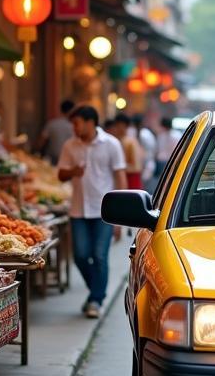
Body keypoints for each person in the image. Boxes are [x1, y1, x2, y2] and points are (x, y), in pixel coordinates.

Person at [58, 105, 127, 318]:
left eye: (77, 123)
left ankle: (96, 300)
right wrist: (73, 172)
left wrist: (120, 215)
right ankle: (96, 292)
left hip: (103, 211)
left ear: (90, 122)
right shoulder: (70, 145)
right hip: (78, 210)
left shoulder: (111, 144)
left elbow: (120, 177)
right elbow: (61, 174)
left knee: (99, 256)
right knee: (79, 256)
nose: (74, 128)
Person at [106, 113, 143, 190]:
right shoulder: (116, 140)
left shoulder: (131, 142)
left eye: (117, 125)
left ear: (123, 125)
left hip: (131, 179)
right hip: (120, 178)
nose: (115, 128)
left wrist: (118, 167)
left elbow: (135, 166)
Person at [37, 99, 75, 165]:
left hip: (52, 160)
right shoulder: (74, 126)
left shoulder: (51, 124)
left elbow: (40, 142)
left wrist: (35, 153)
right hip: (69, 160)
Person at [134, 114, 157, 190]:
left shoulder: (145, 134)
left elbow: (150, 151)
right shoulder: (143, 133)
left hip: (146, 165)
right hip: (140, 165)